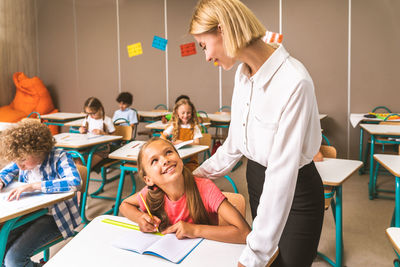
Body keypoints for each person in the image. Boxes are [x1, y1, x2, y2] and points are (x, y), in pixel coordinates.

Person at [189, 0, 324, 266]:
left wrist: (253, 256)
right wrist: (192, 177)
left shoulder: (294, 82)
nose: (206, 57)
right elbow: (233, 146)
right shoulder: (243, 75)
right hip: (257, 177)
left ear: (223, 30)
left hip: (295, 188)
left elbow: (282, 175)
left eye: (204, 46)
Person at [119, 138, 250, 244]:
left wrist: (195, 230)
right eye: (154, 160)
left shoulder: (205, 188)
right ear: (148, 180)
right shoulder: (151, 192)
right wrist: (140, 218)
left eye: (168, 152)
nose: (165, 160)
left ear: (179, 157)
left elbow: (245, 233)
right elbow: (124, 205)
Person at [0, 121, 81, 267]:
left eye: (23, 160)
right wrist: (1, 181)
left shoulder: (59, 157)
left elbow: (74, 182)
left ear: (39, 150)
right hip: (29, 214)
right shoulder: (22, 157)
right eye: (16, 161)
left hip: (55, 218)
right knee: (1, 250)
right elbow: (6, 172)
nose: (20, 166)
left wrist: (34, 186)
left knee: (13, 260)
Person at [160, 98, 202, 171]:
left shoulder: (194, 127)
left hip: (190, 160)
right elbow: (162, 137)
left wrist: (182, 142)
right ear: (177, 113)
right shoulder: (174, 125)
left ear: (192, 113)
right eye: (183, 113)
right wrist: (168, 142)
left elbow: (197, 143)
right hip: (176, 159)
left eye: (188, 113)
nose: (185, 115)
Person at [79, 97, 115, 167]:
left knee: (86, 167)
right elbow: (82, 128)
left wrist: (103, 133)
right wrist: (81, 130)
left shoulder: (107, 120)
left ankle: (83, 176)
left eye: (93, 113)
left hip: (101, 149)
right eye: (88, 113)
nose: (90, 116)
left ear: (100, 109)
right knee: (77, 161)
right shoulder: (88, 119)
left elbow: (115, 137)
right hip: (88, 146)